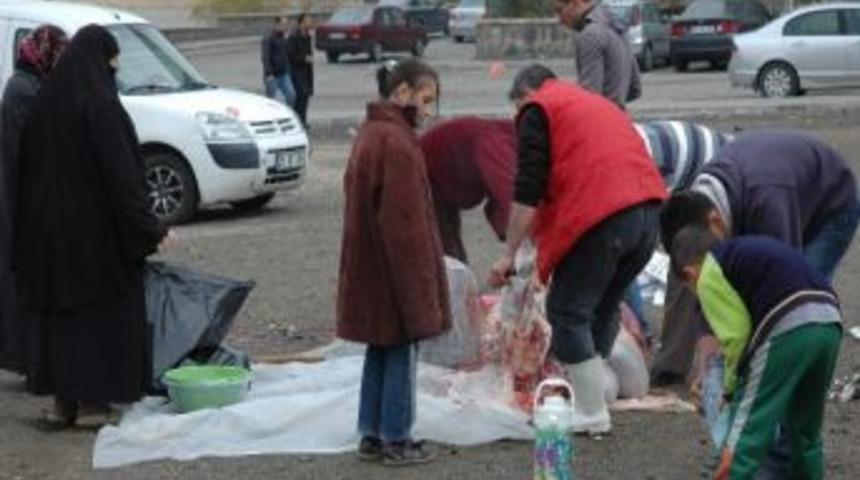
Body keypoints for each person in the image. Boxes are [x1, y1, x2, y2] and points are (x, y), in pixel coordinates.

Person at [488, 65, 666, 434]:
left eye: (517, 105)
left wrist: (509, 252)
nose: (517, 115)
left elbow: (528, 189)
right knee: (602, 305)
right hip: (648, 212)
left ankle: (591, 412)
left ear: (527, 93)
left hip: (602, 217)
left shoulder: (539, 108)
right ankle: (597, 392)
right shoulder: (591, 102)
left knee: (567, 312)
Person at [13, 25, 169, 429]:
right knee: (99, 323)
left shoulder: (45, 105)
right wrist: (149, 227)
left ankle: (65, 403)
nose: (113, 74)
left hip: (49, 242)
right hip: (96, 244)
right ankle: (94, 404)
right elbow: (123, 179)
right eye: (112, 65)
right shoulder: (101, 108)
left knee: (61, 324)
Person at [336, 58, 449, 466]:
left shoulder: (372, 133)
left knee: (379, 349)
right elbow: (406, 230)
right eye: (426, 100)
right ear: (401, 93)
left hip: (371, 269)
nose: (430, 111)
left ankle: (371, 432)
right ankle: (396, 437)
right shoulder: (398, 144)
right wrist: (419, 292)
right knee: (400, 348)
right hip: (392, 273)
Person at [670, 229, 841, 480]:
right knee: (805, 434)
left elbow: (736, 336)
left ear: (689, 273)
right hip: (829, 323)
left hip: (787, 328)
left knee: (744, 439)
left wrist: (730, 389)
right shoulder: (739, 253)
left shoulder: (707, 273)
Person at [0, 25, 68, 383]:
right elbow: (23, 156)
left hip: (25, 199)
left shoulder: (30, 84)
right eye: (57, 52)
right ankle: (28, 361)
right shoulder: (23, 90)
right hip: (21, 203)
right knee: (23, 286)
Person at [555, 0, 641, 108]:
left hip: (600, 121)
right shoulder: (618, 28)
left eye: (559, 11)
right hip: (620, 119)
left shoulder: (590, 35)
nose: (559, 20)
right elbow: (635, 88)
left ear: (575, 3)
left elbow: (590, 96)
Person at [261, 16, 296, 107]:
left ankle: (287, 115)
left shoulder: (284, 38)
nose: (285, 26)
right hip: (272, 76)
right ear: (276, 25)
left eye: (286, 24)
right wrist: (269, 74)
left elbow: (288, 55)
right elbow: (265, 56)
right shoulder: (268, 37)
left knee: (291, 95)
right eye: (283, 24)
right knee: (272, 102)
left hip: (284, 74)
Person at [287, 13, 314, 127]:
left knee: (305, 97)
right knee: (299, 98)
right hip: (296, 72)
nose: (310, 23)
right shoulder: (293, 37)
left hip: (306, 71)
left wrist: (309, 59)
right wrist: (304, 59)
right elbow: (291, 55)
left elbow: (308, 53)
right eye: (308, 21)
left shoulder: (307, 36)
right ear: (301, 23)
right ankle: (297, 121)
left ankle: (303, 120)